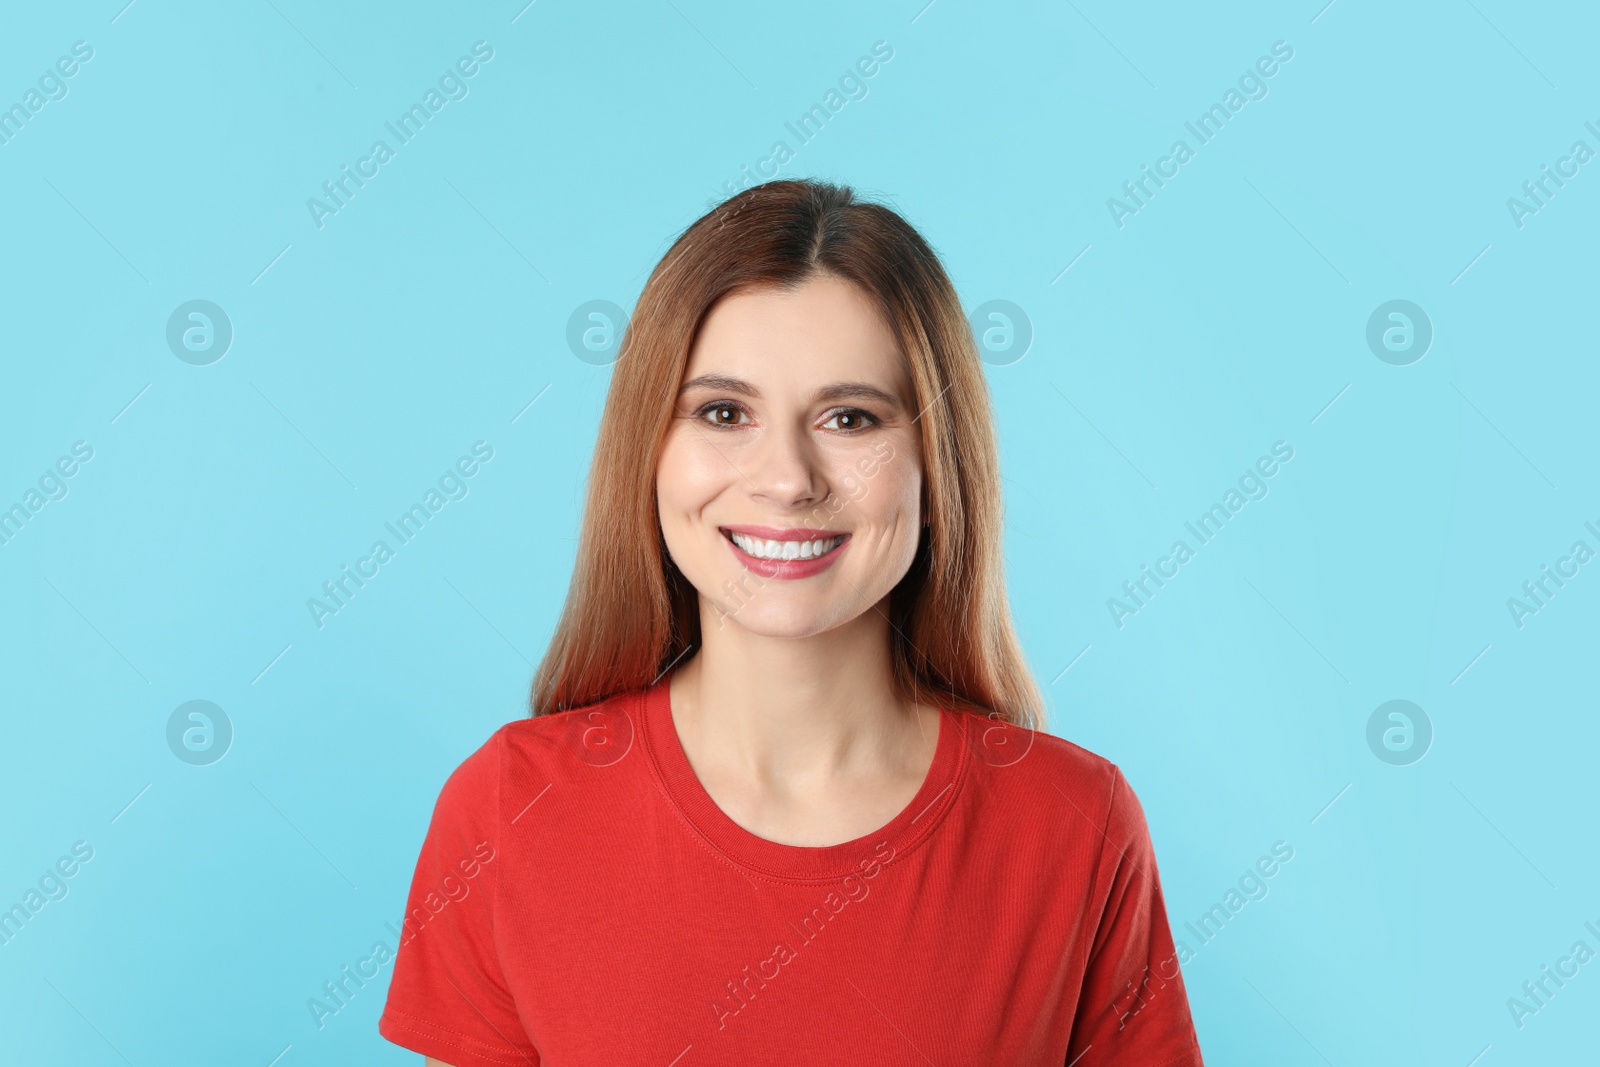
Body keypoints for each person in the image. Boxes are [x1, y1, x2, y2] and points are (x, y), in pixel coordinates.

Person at [378, 179, 1204, 1065]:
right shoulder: (509, 810)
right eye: (724, 412)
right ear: (649, 449)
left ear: (937, 461)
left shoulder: (1074, 825)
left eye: (850, 418)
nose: (788, 478)